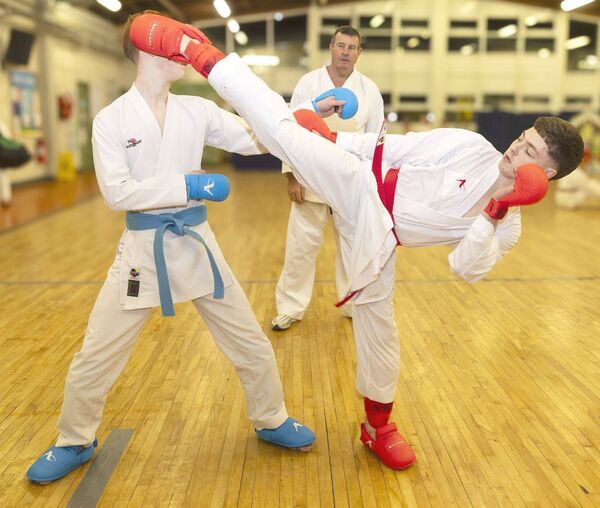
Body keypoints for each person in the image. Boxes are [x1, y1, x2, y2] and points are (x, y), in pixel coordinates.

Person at [129, 14, 584, 470]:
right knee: (286, 134)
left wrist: (496, 208)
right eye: (521, 139)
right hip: (361, 184)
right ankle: (201, 53)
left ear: (543, 176)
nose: (514, 150)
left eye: (528, 152)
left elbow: (465, 267)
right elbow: (397, 146)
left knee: (381, 330)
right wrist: (334, 141)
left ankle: (377, 427)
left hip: (380, 240)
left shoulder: (509, 225)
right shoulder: (471, 146)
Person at [25, 11, 315, 484]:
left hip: (198, 244)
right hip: (142, 248)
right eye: (175, 42)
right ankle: (74, 440)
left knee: (249, 340)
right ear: (148, 50)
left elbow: (250, 138)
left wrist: (296, 121)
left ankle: (272, 417)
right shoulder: (111, 119)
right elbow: (117, 193)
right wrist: (189, 184)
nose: (185, 50)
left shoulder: (195, 110)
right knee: (96, 355)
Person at [272, 26, 384, 331]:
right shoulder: (309, 83)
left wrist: (374, 182)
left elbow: (376, 138)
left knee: (353, 245)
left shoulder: (369, 90)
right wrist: (291, 176)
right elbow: (289, 129)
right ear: (331, 47)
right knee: (301, 246)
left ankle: (352, 304)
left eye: (352, 47)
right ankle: (289, 307)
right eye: (341, 45)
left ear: (359, 53)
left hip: (352, 178)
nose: (346, 52)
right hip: (311, 174)